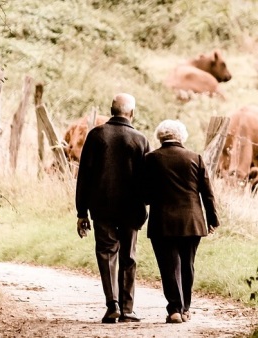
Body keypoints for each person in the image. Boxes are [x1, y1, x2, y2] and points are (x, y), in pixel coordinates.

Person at [75, 93, 151, 324]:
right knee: (128, 256)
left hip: (102, 207)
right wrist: (145, 204)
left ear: (111, 110)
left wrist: (81, 212)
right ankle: (128, 309)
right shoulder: (140, 139)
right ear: (132, 113)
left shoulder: (97, 135)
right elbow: (147, 179)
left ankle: (112, 305)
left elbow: (84, 177)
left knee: (107, 254)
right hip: (131, 209)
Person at [143, 119, 220, 324]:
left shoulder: (150, 159)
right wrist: (212, 219)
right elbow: (208, 194)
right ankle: (185, 308)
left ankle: (174, 309)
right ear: (181, 136)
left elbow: (145, 194)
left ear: (160, 136)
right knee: (188, 264)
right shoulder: (195, 158)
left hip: (162, 222)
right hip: (192, 221)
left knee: (169, 266)